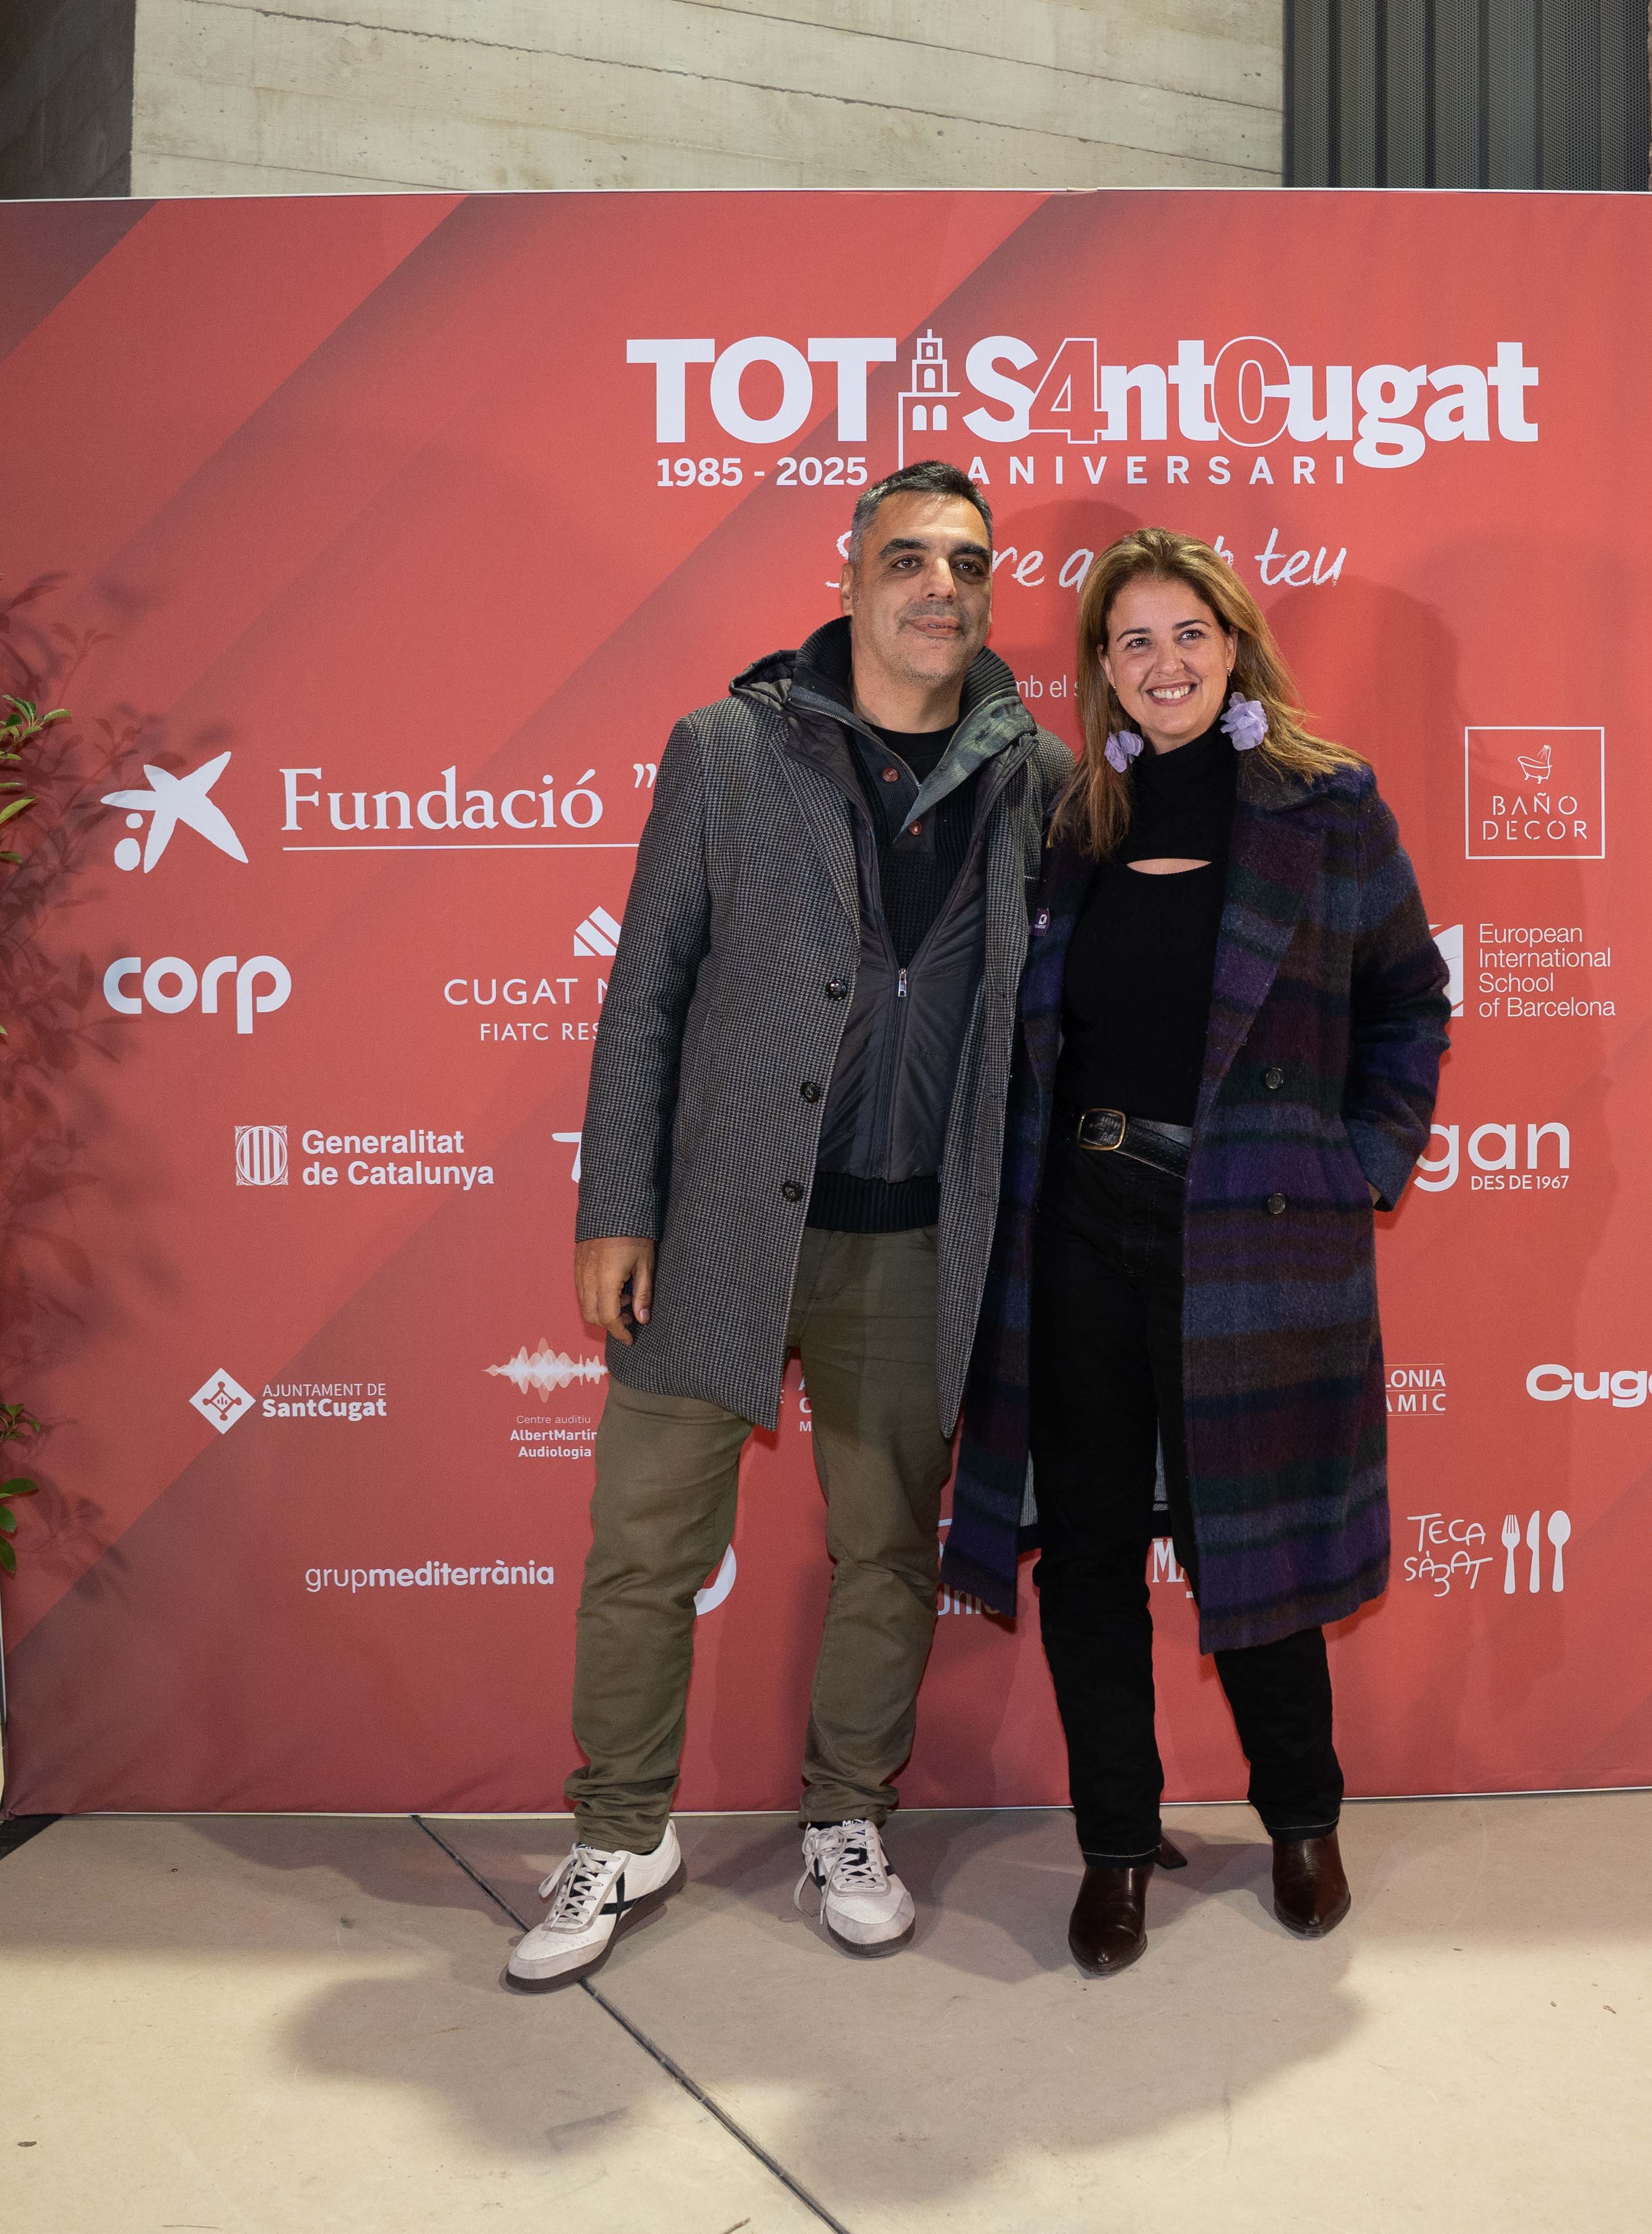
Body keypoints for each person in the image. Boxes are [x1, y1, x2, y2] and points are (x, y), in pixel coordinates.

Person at [507, 462, 1074, 1987]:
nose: (938, 587)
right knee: (642, 1543)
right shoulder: (729, 752)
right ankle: (624, 1829)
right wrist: (616, 1203)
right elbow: (648, 997)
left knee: (889, 1547)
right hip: (716, 1236)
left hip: (914, 1243)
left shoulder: (1039, 776)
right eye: (908, 558)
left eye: (967, 562)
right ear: (850, 573)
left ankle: (847, 1817)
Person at [944, 527, 1448, 1975]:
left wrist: (1357, 1163)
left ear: (1234, 646)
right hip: (1079, 1232)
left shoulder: (1321, 807)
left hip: (1254, 1231)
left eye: (1188, 635)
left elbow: (1411, 1002)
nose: (1163, 665)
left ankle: (1301, 1815)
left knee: (1257, 1541)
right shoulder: (1068, 825)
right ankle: (1117, 1842)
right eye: (1131, 643)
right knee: (1091, 1551)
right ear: (1101, 671)